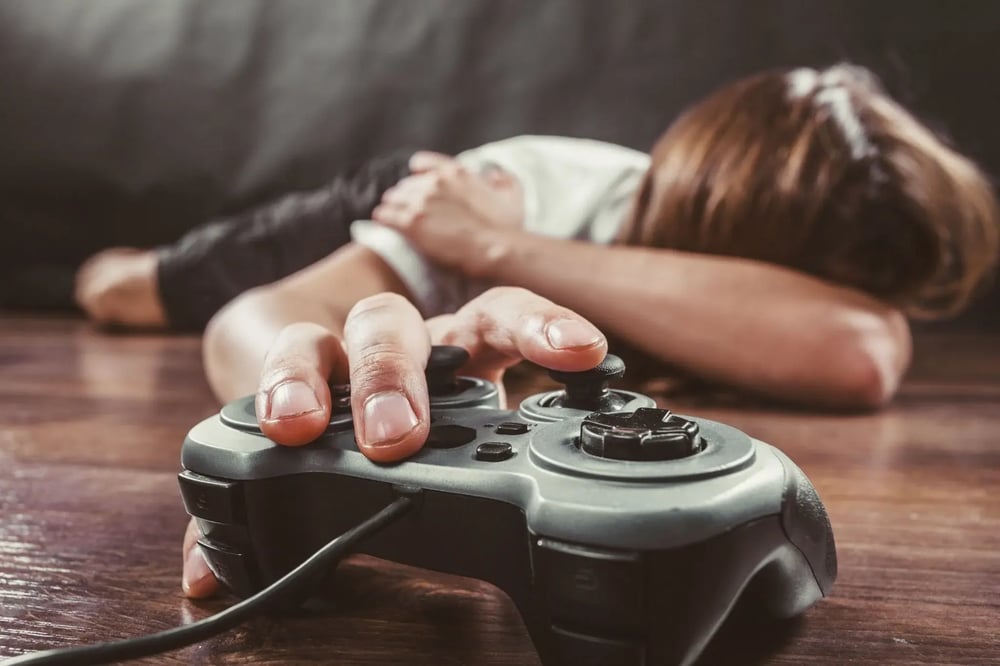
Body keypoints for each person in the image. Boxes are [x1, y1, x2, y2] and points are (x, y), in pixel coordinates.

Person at [177, 63, 1000, 598]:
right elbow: (248, 320)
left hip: (479, 233)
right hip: (393, 203)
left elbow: (860, 350)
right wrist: (305, 434)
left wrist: (500, 248)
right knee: (132, 287)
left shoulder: (508, 228)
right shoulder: (525, 186)